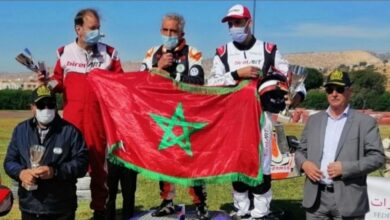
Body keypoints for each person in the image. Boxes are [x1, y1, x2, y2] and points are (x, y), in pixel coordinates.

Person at [207, 4, 305, 220]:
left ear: (248, 23)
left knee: (262, 163)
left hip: (262, 118)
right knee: (237, 162)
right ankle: (241, 208)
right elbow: (211, 83)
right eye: (231, 24)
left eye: (238, 22)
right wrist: (235, 74)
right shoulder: (222, 52)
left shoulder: (268, 50)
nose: (234, 27)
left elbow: (293, 80)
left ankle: (261, 211)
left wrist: (296, 97)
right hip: (233, 118)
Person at [37, 8, 130, 220]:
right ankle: (65, 210)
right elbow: (58, 83)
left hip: (98, 122)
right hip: (71, 123)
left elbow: (121, 84)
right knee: (65, 169)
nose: (97, 31)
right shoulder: (64, 52)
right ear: (78, 29)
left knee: (99, 169)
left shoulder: (110, 53)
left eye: (98, 27)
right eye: (93, 28)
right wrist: (46, 82)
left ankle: (100, 211)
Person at [140, 13, 208, 220]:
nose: (168, 34)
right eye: (165, 30)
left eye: (173, 31)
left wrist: (170, 75)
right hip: (161, 116)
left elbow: (197, 82)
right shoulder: (152, 53)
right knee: (164, 161)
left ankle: (200, 203)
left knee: (192, 162)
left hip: (187, 116)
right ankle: (167, 201)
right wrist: (157, 68)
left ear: (181, 33)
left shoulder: (193, 53)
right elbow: (141, 83)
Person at [295, 70, 385, 219]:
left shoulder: (365, 122)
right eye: (330, 89)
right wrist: (304, 164)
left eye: (340, 89)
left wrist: (346, 168)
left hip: (349, 200)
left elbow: (377, 157)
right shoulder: (314, 120)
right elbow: (299, 150)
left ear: (349, 92)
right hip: (315, 200)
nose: (334, 93)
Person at [3, 85, 88, 220]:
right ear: (32, 107)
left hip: (61, 208)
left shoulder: (71, 132)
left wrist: (55, 171)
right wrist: (21, 173)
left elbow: (82, 164)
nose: (46, 109)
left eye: (50, 105)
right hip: (29, 206)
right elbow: (9, 162)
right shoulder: (20, 130)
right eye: (41, 105)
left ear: (56, 107)